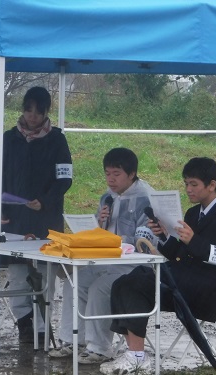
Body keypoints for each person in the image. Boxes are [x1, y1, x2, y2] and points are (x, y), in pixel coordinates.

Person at [101, 157, 216, 374]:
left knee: (139, 282)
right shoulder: (193, 213)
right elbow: (180, 255)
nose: (188, 189)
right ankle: (135, 353)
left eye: (194, 184)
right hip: (181, 278)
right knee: (123, 282)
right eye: (186, 184)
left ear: (212, 184)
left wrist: (194, 241)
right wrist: (164, 235)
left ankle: (137, 356)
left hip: (205, 288)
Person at [49, 147, 157, 364]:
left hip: (134, 266)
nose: (111, 179)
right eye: (107, 174)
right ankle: (73, 341)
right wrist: (100, 224)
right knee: (75, 280)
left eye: (116, 174)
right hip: (106, 259)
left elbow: (145, 244)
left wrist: (119, 242)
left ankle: (100, 348)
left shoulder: (147, 199)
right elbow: (99, 235)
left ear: (132, 173)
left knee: (100, 286)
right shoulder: (107, 198)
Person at [0, 86, 73, 344]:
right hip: (15, 218)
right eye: (28, 110)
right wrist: (0, 210)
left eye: (38, 112)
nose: (32, 116)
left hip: (46, 218)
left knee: (45, 273)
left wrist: (45, 202)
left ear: (46, 112)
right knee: (17, 274)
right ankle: (24, 324)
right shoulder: (8, 138)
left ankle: (44, 327)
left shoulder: (57, 140)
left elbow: (65, 178)